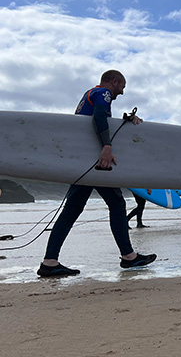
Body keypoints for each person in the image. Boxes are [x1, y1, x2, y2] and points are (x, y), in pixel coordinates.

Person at [37, 70, 157, 277]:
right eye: (122, 87)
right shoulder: (103, 93)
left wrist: (126, 123)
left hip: (84, 164)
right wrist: (107, 146)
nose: (122, 92)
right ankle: (129, 257)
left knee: (73, 211)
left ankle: (49, 262)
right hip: (95, 163)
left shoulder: (89, 95)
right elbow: (99, 116)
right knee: (117, 204)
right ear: (115, 81)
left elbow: (97, 121)